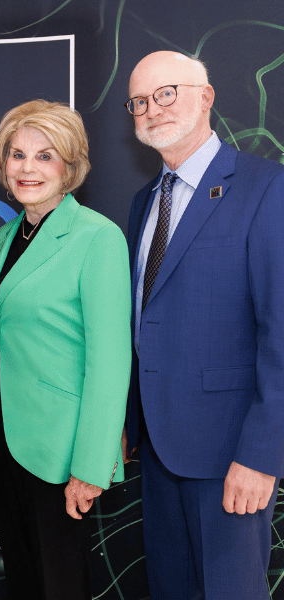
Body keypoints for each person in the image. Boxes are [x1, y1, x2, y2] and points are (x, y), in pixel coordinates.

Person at [122, 51, 284, 600]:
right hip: (158, 452)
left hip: (230, 457)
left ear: (206, 96)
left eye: (166, 92)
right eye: (139, 102)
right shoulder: (144, 203)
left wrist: (262, 456)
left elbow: (281, 332)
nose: (152, 109)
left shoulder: (266, 187)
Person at [0, 100, 132, 600]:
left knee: (60, 585)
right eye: (17, 155)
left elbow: (110, 360)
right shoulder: (4, 235)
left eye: (44, 156)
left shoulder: (97, 237)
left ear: (70, 166)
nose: (27, 168)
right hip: (1, 439)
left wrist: (92, 462)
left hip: (61, 450)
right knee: (23, 578)